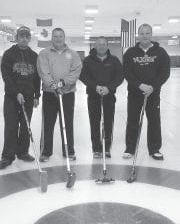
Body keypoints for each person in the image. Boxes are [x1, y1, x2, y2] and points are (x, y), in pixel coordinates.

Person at [123, 23, 170, 160]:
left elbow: (164, 72)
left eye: (147, 33)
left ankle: (154, 149)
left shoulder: (160, 52)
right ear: (138, 35)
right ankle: (130, 148)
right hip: (135, 93)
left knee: (154, 120)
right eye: (142, 33)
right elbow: (127, 72)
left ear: (151, 34)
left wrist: (153, 87)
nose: (144, 36)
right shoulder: (130, 52)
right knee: (132, 120)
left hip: (153, 94)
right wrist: (139, 85)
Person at [37, 28, 82, 162]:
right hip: (50, 94)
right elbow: (43, 72)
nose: (58, 38)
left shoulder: (73, 54)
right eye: (55, 36)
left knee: (67, 123)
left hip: (67, 93)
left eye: (60, 36)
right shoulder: (44, 53)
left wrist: (63, 83)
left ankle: (69, 151)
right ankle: (45, 152)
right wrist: (52, 85)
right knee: (48, 123)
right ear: (52, 37)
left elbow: (76, 70)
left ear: (64, 37)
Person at [0, 26, 40, 169]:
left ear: (29, 39)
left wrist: (37, 96)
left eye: (26, 36)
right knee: (11, 125)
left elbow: (37, 78)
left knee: (25, 125)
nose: (24, 39)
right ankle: (7, 156)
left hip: (29, 97)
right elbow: (6, 76)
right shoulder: (9, 54)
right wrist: (16, 92)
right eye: (21, 36)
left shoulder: (34, 56)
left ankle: (22, 152)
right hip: (12, 97)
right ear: (16, 38)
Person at [80, 36, 124, 158]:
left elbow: (119, 76)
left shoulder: (114, 60)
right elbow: (83, 76)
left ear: (107, 45)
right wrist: (95, 86)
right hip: (93, 96)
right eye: (99, 44)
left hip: (109, 96)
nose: (101, 46)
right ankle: (97, 149)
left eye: (104, 44)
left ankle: (107, 148)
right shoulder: (88, 60)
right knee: (94, 123)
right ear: (95, 46)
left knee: (108, 122)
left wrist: (108, 88)